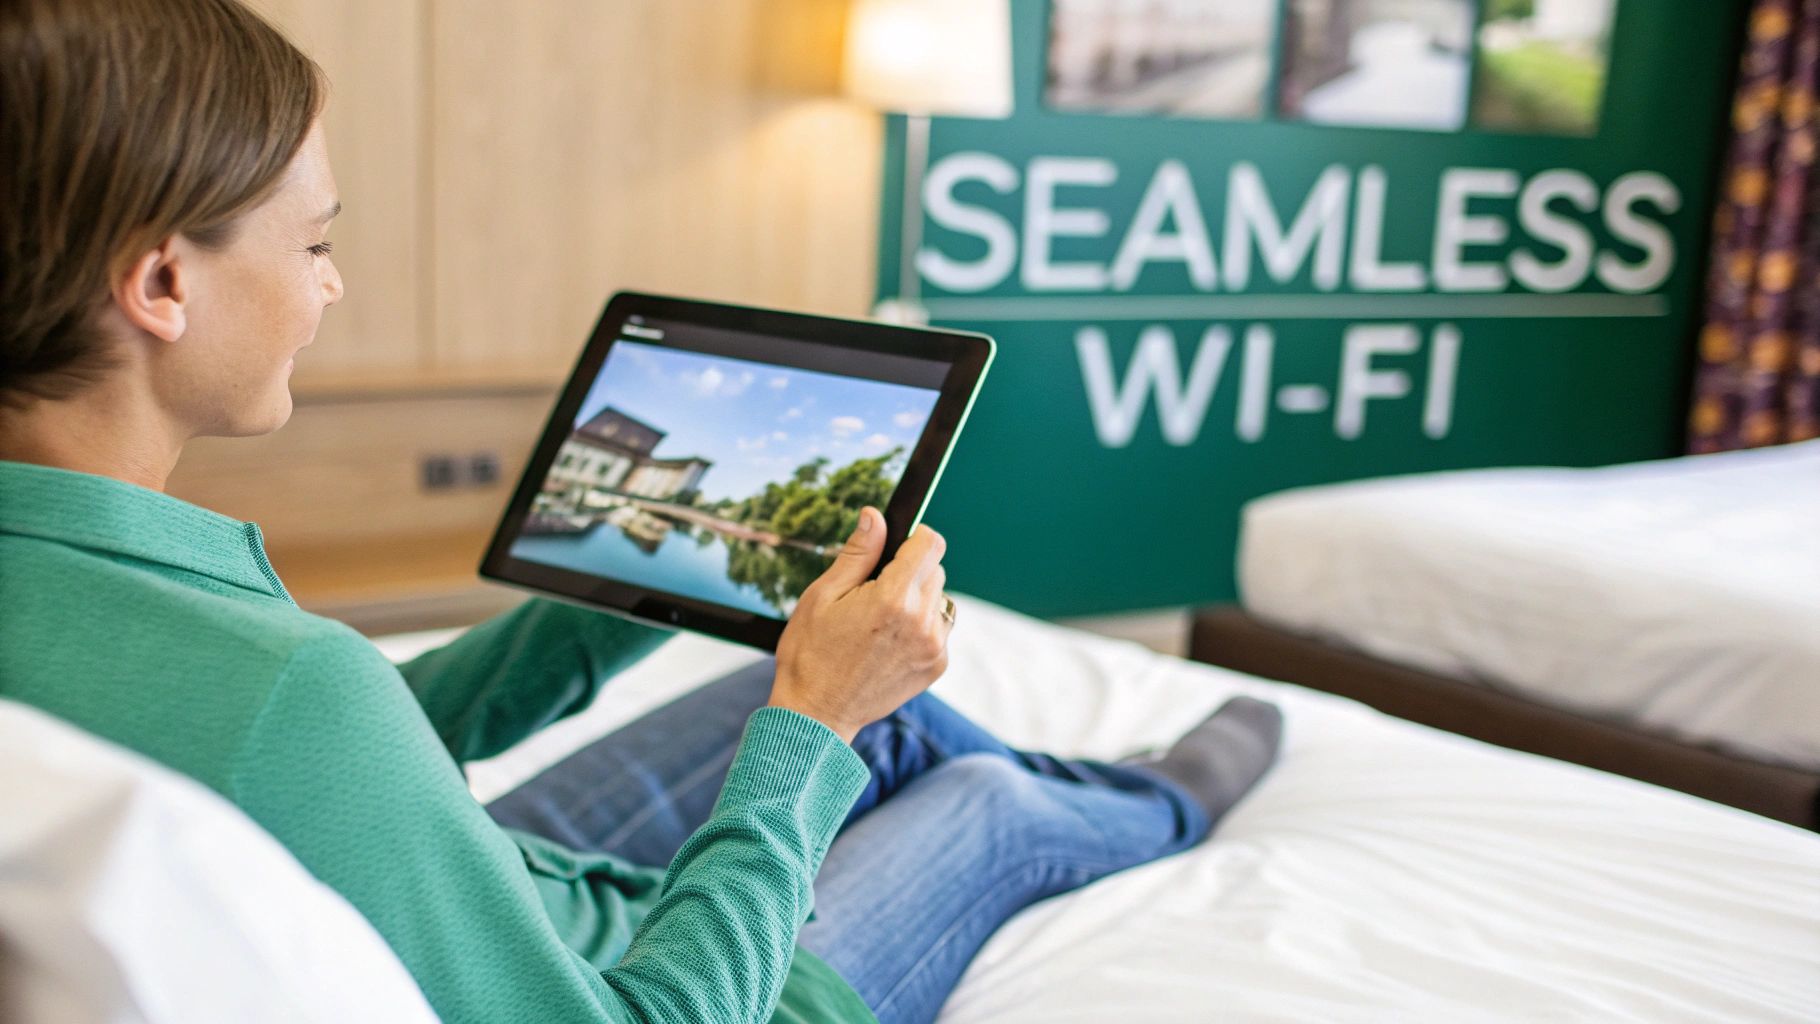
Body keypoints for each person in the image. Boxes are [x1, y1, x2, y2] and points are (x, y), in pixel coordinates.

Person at [0, 1, 1285, 1022]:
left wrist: (636, 598)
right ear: (162, 282)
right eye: (316, 244)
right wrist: (815, 719)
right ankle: (1163, 795)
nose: (331, 289)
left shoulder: (114, 610)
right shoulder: (290, 689)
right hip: (654, 984)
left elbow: (331, 746)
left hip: (460, 889)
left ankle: (1049, 775)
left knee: (803, 709)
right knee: (966, 797)